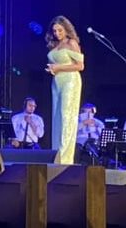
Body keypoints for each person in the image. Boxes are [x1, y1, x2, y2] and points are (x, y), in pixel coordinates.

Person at [45, 16, 84, 165]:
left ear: (66, 29)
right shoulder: (55, 44)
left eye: (60, 30)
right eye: (54, 31)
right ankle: (56, 154)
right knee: (57, 118)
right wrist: (52, 69)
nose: (57, 33)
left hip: (70, 81)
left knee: (66, 116)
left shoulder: (71, 43)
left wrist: (59, 67)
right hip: (57, 82)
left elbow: (80, 66)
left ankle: (65, 158)